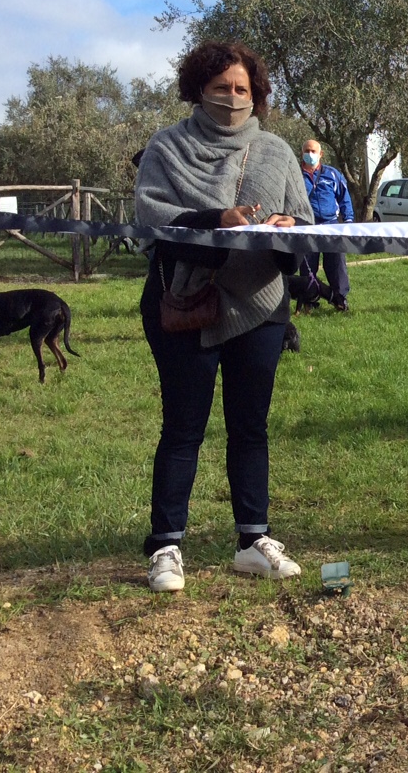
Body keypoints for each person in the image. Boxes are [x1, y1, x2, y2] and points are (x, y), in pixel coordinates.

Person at [135, 41, 313, 593]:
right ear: (198, 90)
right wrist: (218, 218)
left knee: (250, 428)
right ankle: (166, 545)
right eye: (221, 88)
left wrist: (286, 229)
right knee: (183, 428)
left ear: (255, 94)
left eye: (242, 89)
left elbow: (306, 228)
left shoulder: (278, 152)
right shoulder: (166, 148)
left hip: (260, 308)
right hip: (184, 304)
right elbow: (152, 218)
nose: (232, 99)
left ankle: (251, 541)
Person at [297, 139, 353, 314]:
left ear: (321, 154)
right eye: (307, 150)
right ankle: (309, 302)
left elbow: (344, 198)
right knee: (307, 268)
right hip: (307, 227)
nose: (310, 154)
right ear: (302, 153)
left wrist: (349, 222)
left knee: (337, 266)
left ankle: (340, 300)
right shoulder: (295, 176)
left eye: (313, 151)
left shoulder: (332, 174)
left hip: (331, 226)